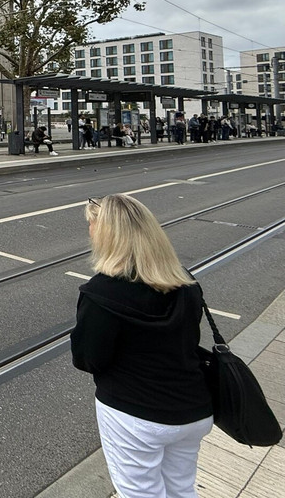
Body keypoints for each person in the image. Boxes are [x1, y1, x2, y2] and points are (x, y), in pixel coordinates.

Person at [71, 195, 212, 498]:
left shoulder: (101, 293)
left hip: (134, 415)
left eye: (92, 226)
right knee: (181, 490)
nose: (90, 232)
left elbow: (87, 359)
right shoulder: (185, 282)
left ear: (108, 235)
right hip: (192, 409)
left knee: (140, 493)